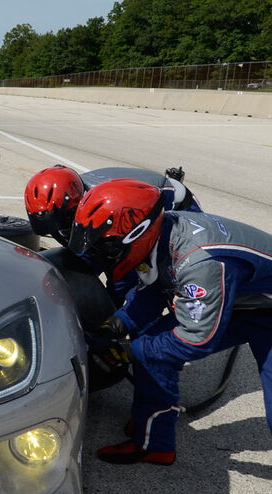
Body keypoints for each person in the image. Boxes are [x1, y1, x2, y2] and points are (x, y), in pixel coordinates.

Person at [68, 179, 272, 465]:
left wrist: (128, 351)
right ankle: (154, 443)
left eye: (107, 248)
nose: (103, 256)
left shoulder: (198, 262)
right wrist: (118, 324)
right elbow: (152, 291)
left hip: (262, 307)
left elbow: (196, 339)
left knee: (148, 349)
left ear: (137, 232)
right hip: (239, 297)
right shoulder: (160, 231)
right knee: (151, 352)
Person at [24, 164, 200, 248]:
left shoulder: (107, 203)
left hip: (175, 204)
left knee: (149, 262)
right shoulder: (76, 191)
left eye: (63, 224)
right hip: (141, 192)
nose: (60, 232)